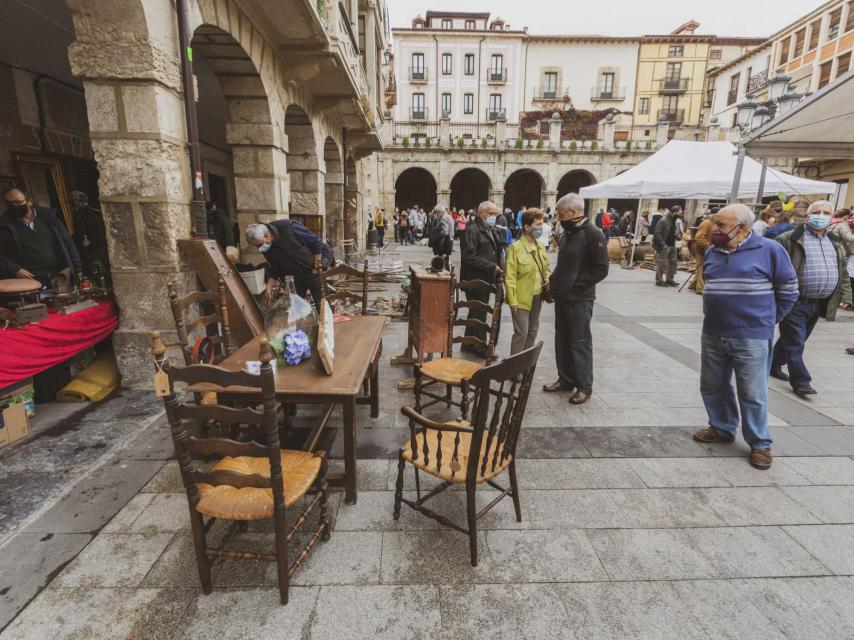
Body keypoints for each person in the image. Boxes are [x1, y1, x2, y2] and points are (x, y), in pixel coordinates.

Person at [693, 203, 799, 471]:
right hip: (714, 332)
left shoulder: (770, 250)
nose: (714, 229)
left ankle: (760, 442)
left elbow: (789, 289)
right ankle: (721, 427)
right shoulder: (714, 252)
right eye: (715, 223)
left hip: (752, 335)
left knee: (752, 392)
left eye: (721, 225)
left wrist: (768, 320)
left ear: (743, 228)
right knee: (713, 385)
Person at [770, 200, 852, 395]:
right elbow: (771, 267)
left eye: (826, 213)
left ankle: (772, 364)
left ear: (831, 218)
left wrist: (847, 296)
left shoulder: (835, 241)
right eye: (817, 212)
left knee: (794, 339)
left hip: (819, 303)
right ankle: (801, 382)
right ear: (807, 216)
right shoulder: (789, 238)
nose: (821, 216)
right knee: (795, 342)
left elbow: (842, 271)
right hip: (794, 300)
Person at [543, 193, 609, 405]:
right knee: (562, 340)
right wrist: (552, 283)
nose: (558, 217)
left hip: (580, 299)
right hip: (563, 297)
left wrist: (575, 285)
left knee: (579, 342)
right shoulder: (568, 233)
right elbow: (564, 267)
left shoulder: (594, 234)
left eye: (561, 214)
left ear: (573, 212)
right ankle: (565, 379)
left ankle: (584, 386)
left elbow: (601, 269)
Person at [0, 186, 81, 288]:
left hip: (61, 275)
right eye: (9, 204)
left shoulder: (49, 217)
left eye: (18, 202)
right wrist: (15, 269)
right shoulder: (3, 225)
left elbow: (67, 242)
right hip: (30, 280)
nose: (14, 206)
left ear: (29, 201)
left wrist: (78, 269)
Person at [245, 219, 330, 309]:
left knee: (323, 306)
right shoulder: (265, 245)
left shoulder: (288, 227)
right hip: (292, 278)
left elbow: (315, 242)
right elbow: (274, 267)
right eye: (257, 247)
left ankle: (326, 322)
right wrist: (269, 286)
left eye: (259, 245)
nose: (259, 249)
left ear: (267, 235)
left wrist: (316, 268)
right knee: (296, 309)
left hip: (311, 270)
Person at [505, 208, 550, 355]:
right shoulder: (515, 248)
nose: (540, 227)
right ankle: (513, 369)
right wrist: (513, 301)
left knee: (532, 332)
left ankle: (524, 366)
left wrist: (547, 278)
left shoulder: (541, 247)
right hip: (521, 297)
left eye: (541, 224)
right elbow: (510, 277)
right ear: (526, 227)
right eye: (537, 224)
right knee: (521, 333)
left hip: (538, 296)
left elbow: (546, 268)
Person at [460, 201, 503, 351]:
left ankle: (468, 344)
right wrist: (492, 267)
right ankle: (480, 348)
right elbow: (469, 257)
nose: (494, 216)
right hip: (475, 279)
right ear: (482, 214)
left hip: (485, 278)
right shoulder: (472, 230)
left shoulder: (490, 229)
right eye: (491, 213)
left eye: (495, 214)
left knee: (475, 311)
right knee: (480, 312)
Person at [652, 205, 682, 287]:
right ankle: (659, 280)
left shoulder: (674, 219)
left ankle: (670, 279)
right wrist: (663, 244)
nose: (681, 214)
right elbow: (657, 233)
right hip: (665, 245)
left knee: (674, 262)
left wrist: (676, 235)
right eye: (680, 212)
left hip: (672, 244)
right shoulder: (664, 219)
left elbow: (671, 231)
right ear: (674, 212)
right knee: (661, 263)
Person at [690, 208, 715, 294]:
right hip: (701, 249)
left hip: (707, 249)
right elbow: (699, 238)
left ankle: (693, 285)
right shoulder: (706, 223)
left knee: (702, 268)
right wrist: (708, 245)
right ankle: (700, 289)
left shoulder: (713, 223)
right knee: (700, 269)